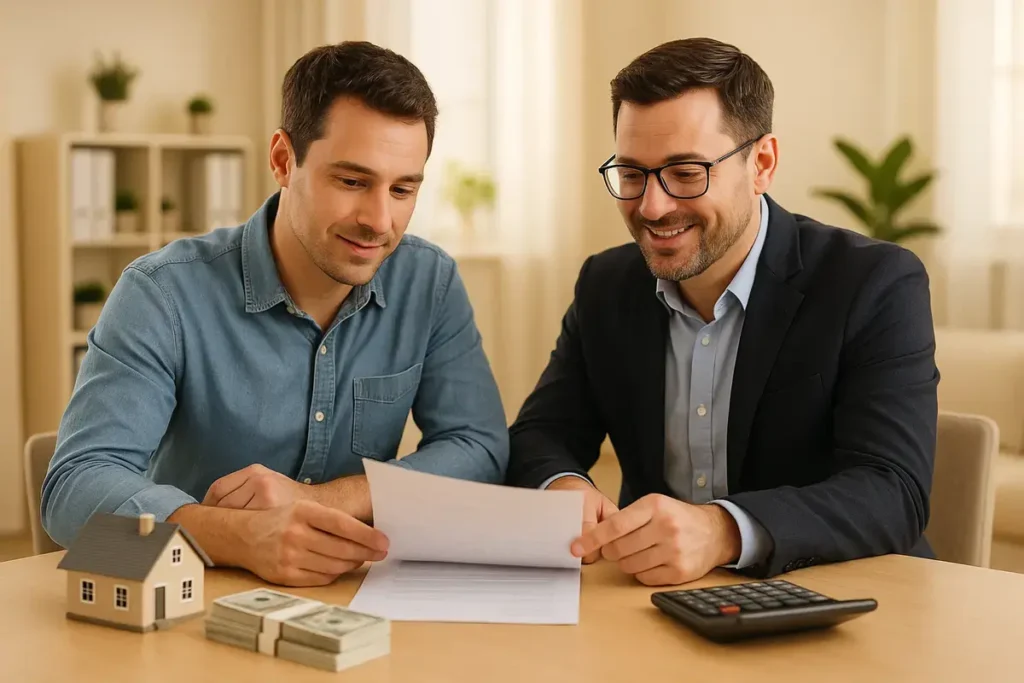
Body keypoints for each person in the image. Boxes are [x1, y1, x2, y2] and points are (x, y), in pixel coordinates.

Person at [42, 41, 509, 586]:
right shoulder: (160, 293)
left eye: (403, 189)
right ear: (284, 161)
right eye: (352, 181)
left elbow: (478, 448)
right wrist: (233, 535)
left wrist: (325, 500)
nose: (379, 220)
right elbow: (72, 487)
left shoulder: (429, 282)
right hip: (192, 600)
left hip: (353, 607)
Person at [507, 37, 938, 585]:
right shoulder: (606, 284)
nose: (652, 207)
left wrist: (724, 530)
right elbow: (541, 432)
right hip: (658, 608)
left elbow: (891, 490)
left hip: (845, 601)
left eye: (686, 172)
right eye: (632, 174)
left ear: (761, 164)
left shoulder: (873, 283)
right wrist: (563, 486)